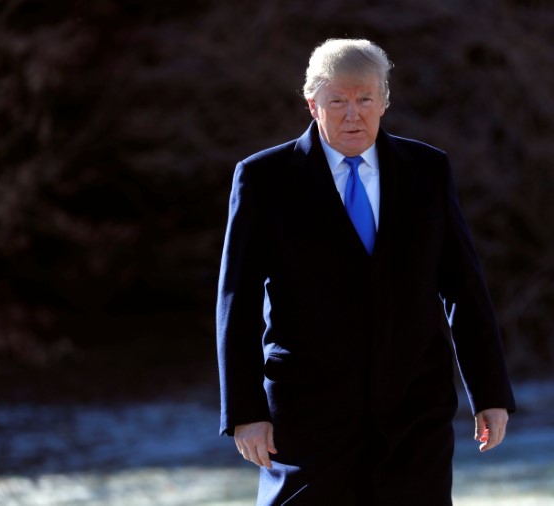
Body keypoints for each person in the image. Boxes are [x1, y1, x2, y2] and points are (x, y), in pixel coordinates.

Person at [216, 38, 516, 505]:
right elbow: (237, 299)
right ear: (312, 103)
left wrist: (490, 393)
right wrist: (244, 411)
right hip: (307, 416)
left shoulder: (428, 171)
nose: (352, 114)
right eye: (337, 101)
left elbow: (464, 288)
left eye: (364, 99)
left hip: (414, 413)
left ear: (385, 101)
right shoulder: (264, 179)